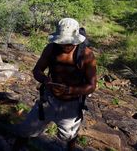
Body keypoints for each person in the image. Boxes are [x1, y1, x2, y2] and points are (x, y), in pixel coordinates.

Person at [13, 18, 97, 151]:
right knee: (26, 129)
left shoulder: (86, 55)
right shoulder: (51, 49)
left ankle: (71, 147)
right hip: (49, 98)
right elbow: (37, 70)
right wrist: (45, 80)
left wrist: (70, 90)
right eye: (63, 42)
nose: (66, 46)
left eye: (69, 43)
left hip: (72, 103)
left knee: (69, 135)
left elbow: (92, 86)